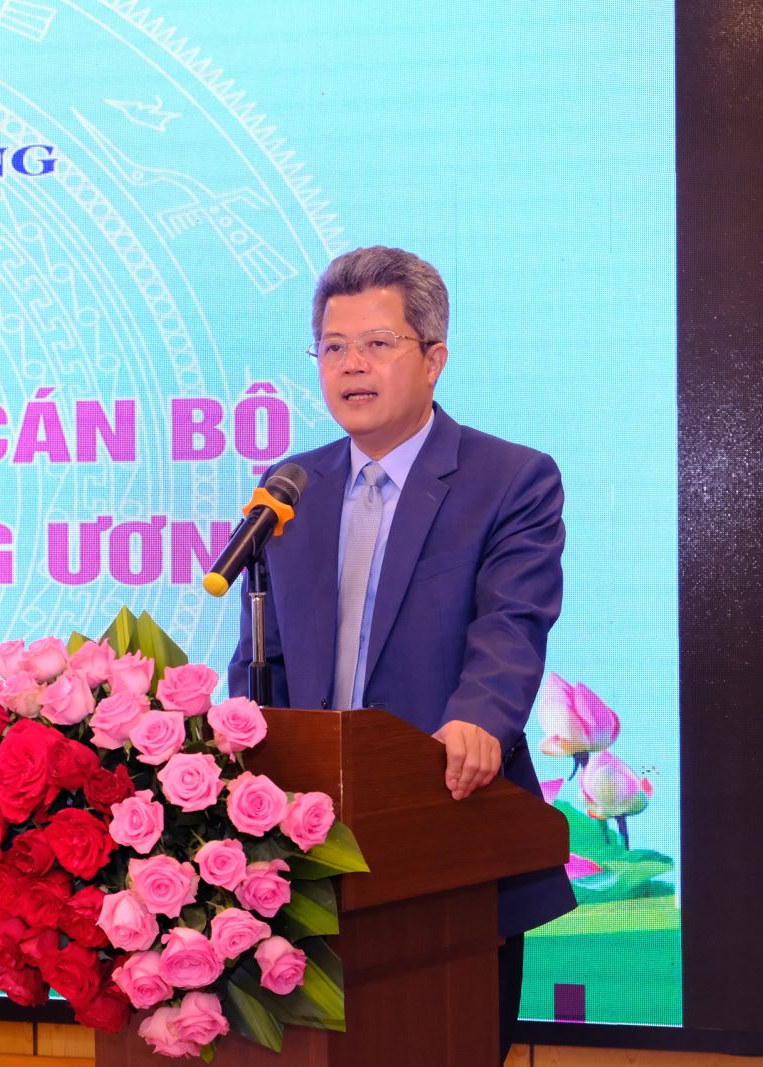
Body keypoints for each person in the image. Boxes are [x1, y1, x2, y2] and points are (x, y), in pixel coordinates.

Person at [228, 245, 575, 1062]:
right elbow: (262, 658)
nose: (352, 365)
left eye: (377, 343)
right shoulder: (289, 488)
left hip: (447, 834)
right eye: (334, 346)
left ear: (433, 358)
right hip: (304, 857)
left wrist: (479, 718)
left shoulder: (509, 479)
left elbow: (512, 623)